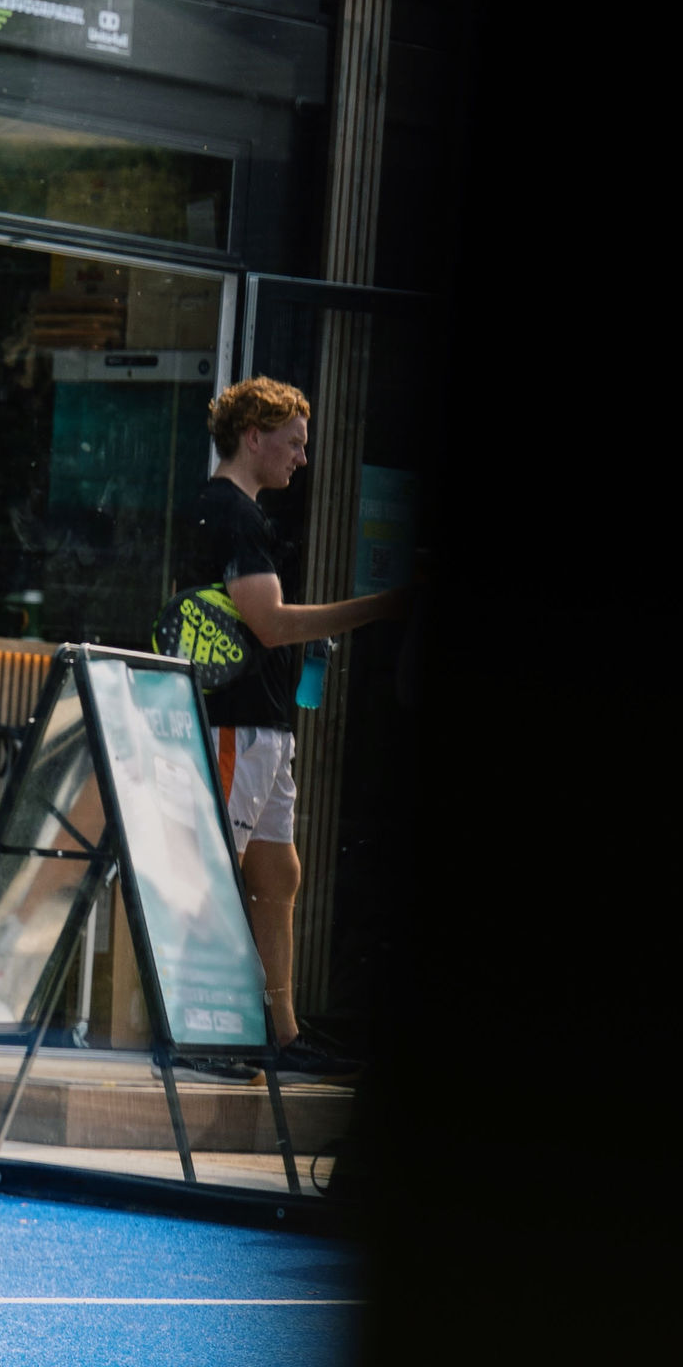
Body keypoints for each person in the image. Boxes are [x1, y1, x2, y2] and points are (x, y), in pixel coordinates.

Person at [189, 376, 406, 1077]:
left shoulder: (242, 513)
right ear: (254, 437)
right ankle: (204, 1029)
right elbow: (271, 622)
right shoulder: (230, 512)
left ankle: (282, 1034)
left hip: (264, 724)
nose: (302, 458)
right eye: (293, 443)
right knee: (218, 874)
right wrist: (381, 607)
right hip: (237, 723)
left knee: (277, 874)